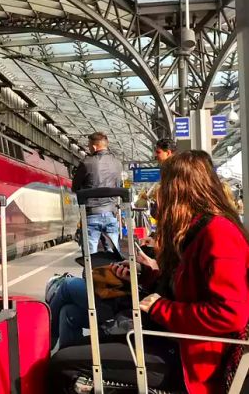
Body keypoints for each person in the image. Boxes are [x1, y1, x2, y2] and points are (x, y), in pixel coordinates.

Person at [50, 150, 249, 394]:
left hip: (190, 358)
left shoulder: (219, 234)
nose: (158, 196)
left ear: (180, 189)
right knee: (71, 315)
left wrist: (160, 307)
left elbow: (230, 314)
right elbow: (185, 285)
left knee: (62, 364)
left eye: (165, 186)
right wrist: (146, 275)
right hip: (172, 337)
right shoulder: (199, 230)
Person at [72, 132, 123, 253]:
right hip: (111, 214)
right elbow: (118, 186)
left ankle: (91, 272)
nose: (89, 148)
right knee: (114, 256)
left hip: (91, 215)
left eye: (89, 146)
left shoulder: (86, 163)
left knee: (90, 259)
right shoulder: (118, 164)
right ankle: (113, 271)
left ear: (94, 147)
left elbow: (75, 187)